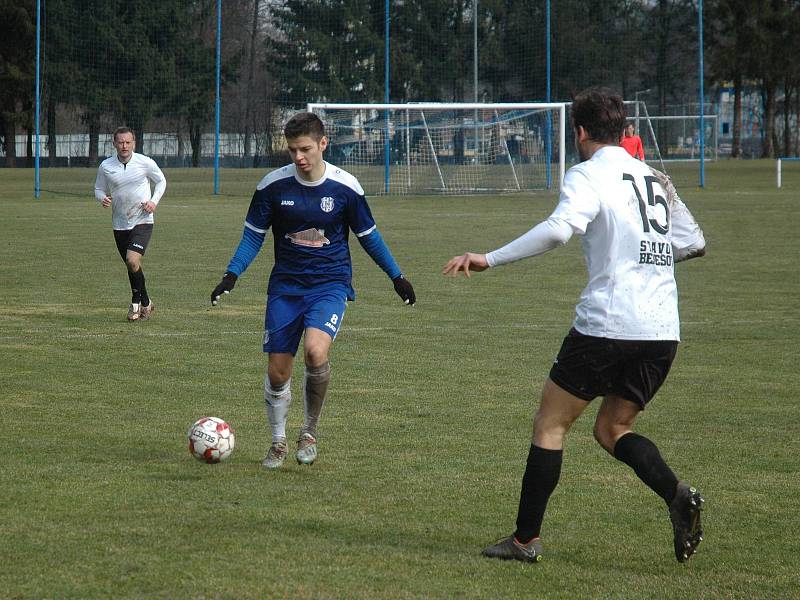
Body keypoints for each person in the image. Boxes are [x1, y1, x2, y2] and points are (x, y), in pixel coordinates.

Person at [442, 88, 706, 564]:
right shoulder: (653, 177)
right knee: (613, 429)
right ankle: (676, 494)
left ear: (580, 132)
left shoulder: (585, 174)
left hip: (607, 324)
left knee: (551, 424)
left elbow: (561, 229)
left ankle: (524, 542)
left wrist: (489, 258)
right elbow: (694, 243)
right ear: (624, 131)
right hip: (662, 329)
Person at [210, 112, 416, 469]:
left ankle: (308, 432)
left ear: (323, 144)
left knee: (315, 352)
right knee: (278, 372)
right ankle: (277, 442)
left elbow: (370, 238)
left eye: (305, 149)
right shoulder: (272, 186)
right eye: (292, 150)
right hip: (286, 288)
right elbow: (252, 237)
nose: (299, 157)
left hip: (329, 285)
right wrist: (232, 274)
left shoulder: (346, 188)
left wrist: (396, 276)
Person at [94, 126, 166, 321]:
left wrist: (153, 202)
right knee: (132, 266)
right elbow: (98, 188)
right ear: (114, 143)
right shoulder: (106, 166)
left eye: (128, 142)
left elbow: (161, 181)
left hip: (143, 220)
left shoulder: (145, 162)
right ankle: (147, 302)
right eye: (121, 142)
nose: (124, 146)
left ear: (134, 143)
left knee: (132, 260)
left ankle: (135, 303)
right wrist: (102, 198)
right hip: (119, 223)